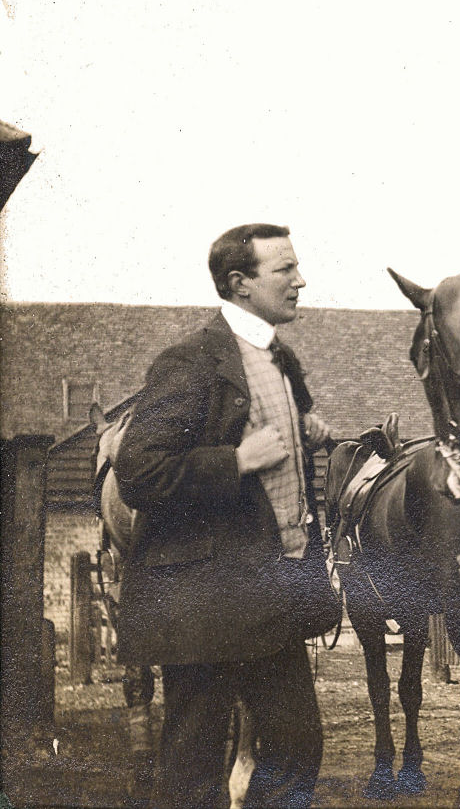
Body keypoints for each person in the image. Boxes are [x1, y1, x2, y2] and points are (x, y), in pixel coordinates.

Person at [114, 223, 336, 809]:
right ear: (240, 283)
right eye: (285, 269)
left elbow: (269, 439)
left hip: (271, 595)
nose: (300, 280)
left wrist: (303, 429)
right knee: (193, 769)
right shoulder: (191, 362)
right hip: (204, 603)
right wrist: (235, 461)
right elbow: (139, 472)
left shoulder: (280, 359)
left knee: (297, 746)